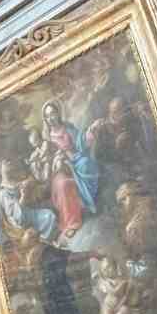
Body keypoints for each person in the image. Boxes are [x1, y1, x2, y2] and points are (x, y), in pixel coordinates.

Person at [28, 100, 99, 242]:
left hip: (75, 160)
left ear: (58, 113)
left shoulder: (68, 127)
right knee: (63, 185)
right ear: (45, 119)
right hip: (58, 169)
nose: (51, 118)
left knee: (87, 164)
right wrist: (56, 159)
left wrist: (90, 131)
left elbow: (80, 142)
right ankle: (71, 222)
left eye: (53, 113)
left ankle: (88, 202)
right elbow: (46, 156)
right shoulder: (46, 136)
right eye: (47, 116)